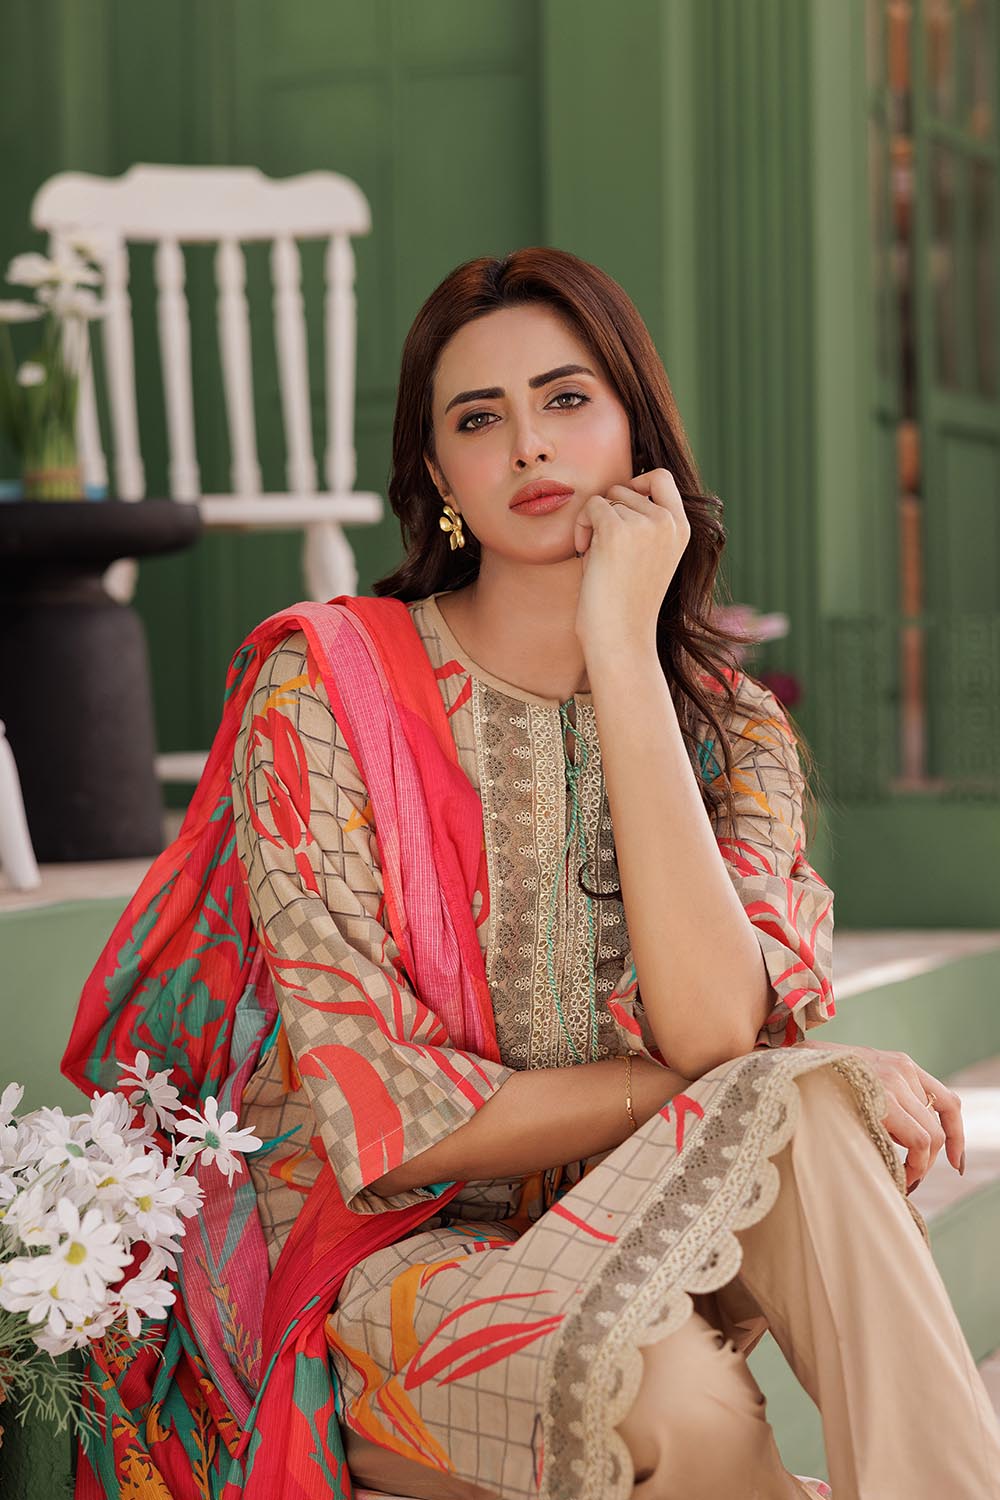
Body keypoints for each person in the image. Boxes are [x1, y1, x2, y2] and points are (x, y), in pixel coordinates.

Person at [224, 247, 1000, 1500]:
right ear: (439, 477)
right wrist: (751, 1075)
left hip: (658, 1222)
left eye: (567, 399)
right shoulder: (324, 691)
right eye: (480, 419)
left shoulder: (730, 727)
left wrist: (623, 655)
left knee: (796, 1110)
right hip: (403, 1272)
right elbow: (391, 1121)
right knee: (688, 1397)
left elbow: (715, 1029)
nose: (530, 445)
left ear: (637, 431)